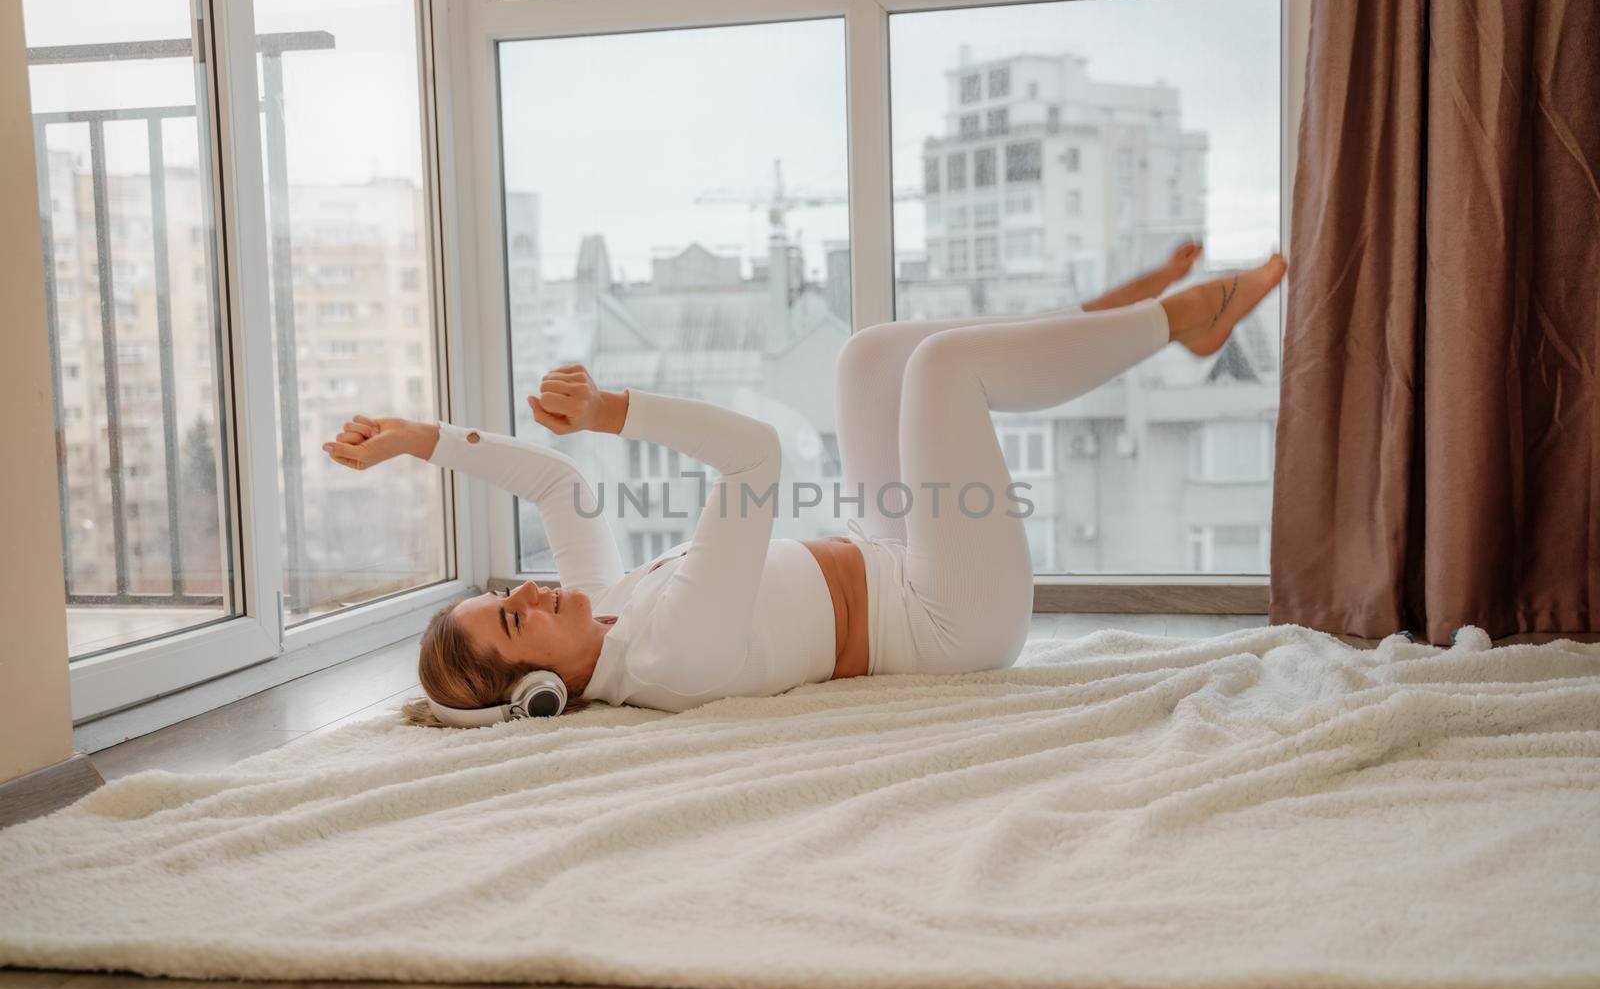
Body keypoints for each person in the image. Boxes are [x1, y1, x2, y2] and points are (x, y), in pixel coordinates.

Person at [323, 244, 1286, 724]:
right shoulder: (670, 657)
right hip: (955, 619)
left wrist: (421, 438)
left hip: (895, 555)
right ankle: (1172, 324)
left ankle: (1094, 326)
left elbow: (559, 487)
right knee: (943, 369)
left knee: (869, 359)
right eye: (517, 618)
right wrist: (619, 406)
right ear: (540, 687)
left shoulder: (608, 613)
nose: (527, 589)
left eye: (505, 595)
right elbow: (756, 457)